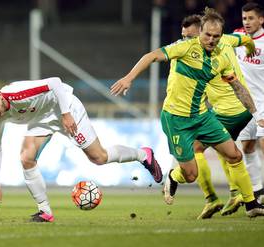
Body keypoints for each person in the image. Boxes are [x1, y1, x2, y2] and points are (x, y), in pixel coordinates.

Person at [111, 7, 264, 218]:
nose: (211, 39)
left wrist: (256, 115)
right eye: (207, 34)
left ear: (221, 36)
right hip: (176, 119)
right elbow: (151, 56)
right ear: (200, 31)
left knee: (234, 154)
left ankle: (251, 204)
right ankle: (174, 176)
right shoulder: (184, 47)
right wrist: (129, 77)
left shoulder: (222, 57)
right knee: (191, 175)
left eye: (216, 36)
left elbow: (237, 87)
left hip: (202, 116)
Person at [0, 77, 163, 222]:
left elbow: (55, 82)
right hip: (41, 119)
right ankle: (45, 212)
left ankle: (142, 154)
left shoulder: (18, 93)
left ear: (0, 95)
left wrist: (66, 114)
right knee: (26, 158)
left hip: (64, 107)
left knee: (99, 157)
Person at [178, 15, 257, 219]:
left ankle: (213, 197)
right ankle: (236, 193)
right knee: (227, 149)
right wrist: (250, 49)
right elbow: (246, 39)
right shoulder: (229, 39)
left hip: (230, 110)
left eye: (188, 37)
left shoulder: (202, 57)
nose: (186, 41)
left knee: (197, 147)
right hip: (245, 107)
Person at [234, 2, 264, 205]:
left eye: (251, 18)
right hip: (245, 106)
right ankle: (258, 191)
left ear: (261, 19)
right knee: (247, 148)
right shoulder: (236, 38)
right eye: (244, 18)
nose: (247, 22)